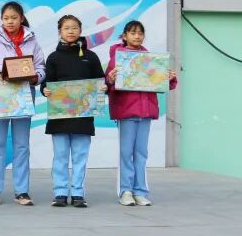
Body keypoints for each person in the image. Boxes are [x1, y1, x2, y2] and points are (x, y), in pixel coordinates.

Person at [0, 1, 45, 206]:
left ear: (22, 18)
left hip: (23, 97)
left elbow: (41, 67)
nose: (10, 21)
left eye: (14, 18)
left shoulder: (32, 40)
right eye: (6, 18)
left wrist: (36, 77)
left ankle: (22, 191)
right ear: (1, 19)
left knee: (22, 145)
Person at [105, 20, 178, 207]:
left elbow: (160, 84)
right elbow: (107, 84)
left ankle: (140, 191)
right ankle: (125, 191)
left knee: (141, 153)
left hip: (145, 112)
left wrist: (169, 78)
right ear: (124, 36)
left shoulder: (151, 59)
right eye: (132, 33)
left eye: (140, 33)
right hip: (126, 112)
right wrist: (110, 79)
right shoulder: (117, 58)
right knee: (126, 152)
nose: (137, 36)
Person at [42, 15, 105, 208]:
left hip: (83, 117)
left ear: (80, 30)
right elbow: (47, 82)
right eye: (66, 28)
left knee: (80, 157)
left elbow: (100, 80)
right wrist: (45, 90)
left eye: (74, 28)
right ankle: (60, 192)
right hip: (59, 117)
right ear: (60, 31)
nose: (71, 31)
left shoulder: (90, 57)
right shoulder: (53, 57)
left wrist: (103, 88)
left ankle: (78, 193)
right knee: (60, 157)